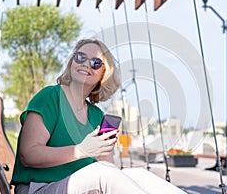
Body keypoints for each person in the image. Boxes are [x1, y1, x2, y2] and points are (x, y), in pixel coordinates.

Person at [11, 38, 187, 194]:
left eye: (96, 62)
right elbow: (29, 155)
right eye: (80, 57)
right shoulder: (50, 96)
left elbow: (108, 169)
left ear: (104, 74)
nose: (86, 64)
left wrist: (104, 150)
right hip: (38, 188)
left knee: (139, 174)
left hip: (81, 188)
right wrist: (83, 150)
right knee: (103, 175)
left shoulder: (96, 115)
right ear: (72, 61)